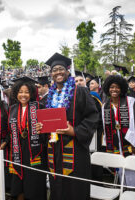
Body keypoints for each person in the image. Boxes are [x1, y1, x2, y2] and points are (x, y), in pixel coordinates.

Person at [37, 53, 98, 200]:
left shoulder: (81, 92)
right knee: (57, 185)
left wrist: (74, 131)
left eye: (60, 69)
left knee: (75, 188)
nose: (58, 72)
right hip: (55, 148)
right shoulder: (49, 97)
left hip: (75, 148)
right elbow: (47, 121)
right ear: (51, 74)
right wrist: (41, 127)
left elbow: (93, 116)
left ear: (67, 71)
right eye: (54, 70)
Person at [8, 77, 47, 200]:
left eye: (26, 92)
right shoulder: (12, 109)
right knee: (19, 183)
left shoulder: (40, 106)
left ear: (31, 93)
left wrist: (42, 128)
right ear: (16, 93)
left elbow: (47, 130)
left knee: (34, 184)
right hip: (18, 150)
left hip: (35, 151)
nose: (23, 95)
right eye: (20, 92)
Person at [102, 75, 135, 187]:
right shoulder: (105, 106)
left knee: (133, 175)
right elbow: (106, 127)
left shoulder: (130, 101)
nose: (114, 89)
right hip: (115, 144)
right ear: (107, 89)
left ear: (122, 88)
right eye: (111, 87)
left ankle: (134, 192)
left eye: (117, 87)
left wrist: (132, 141)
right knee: (121, 174)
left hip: (129, 143)